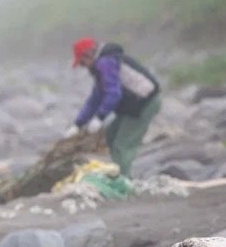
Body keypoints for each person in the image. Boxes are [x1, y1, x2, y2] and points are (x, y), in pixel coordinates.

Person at [64, 37, 161, 177]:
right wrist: (78, 124)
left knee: (122, 145)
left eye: (82, 62)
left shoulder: (105, 63)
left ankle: (123, 181)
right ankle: (120, 174)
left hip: (145, 103)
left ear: (88, 55)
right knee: (110, 136)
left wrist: (99, 117)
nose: (82, 66)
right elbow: (95, 99)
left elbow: (113, 94)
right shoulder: (100, 65)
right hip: (132, 104)